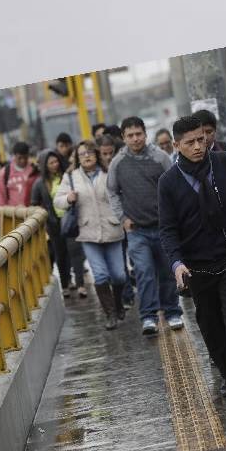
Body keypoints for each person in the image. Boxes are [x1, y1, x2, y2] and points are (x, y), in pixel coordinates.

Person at [158, 113, 226, 401]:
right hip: (198, 268)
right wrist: (177, 263)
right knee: (210, 324)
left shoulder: (224, 163)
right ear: (177, 145)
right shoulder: (168, 183)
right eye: (189, 142)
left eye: (201, 139)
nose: (197, 146)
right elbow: (167, 229)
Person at [109, 116, 185, 334]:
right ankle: (149, 316)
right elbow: (112, 192)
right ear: (123, 137)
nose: (135, 139)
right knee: (143, 272)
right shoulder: (118, 163)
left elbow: (175, 186)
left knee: (167, 271)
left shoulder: (160, 158)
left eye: (138, 134)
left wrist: (173, 218)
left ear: (145, 134)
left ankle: (172, 312)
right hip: (136, 231)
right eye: (130, 135)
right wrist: (122, 218)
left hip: (163, 228)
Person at [56, 140, 129, 329]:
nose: (86, 156)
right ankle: (110, 314)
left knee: (119, 276)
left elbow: (122, 194)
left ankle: (119, 303)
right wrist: (68, 198)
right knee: (101, 275)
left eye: (90, 152)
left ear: (96, 154)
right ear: (77, 158)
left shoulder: (109, 172)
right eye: (82, 154)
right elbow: (58, 200)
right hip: (88, 232)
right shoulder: (71, 176)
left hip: (112, 228)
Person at [30, 149, 76, 298]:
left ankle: (70, 279)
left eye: (56, 161)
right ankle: (64, 284)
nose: (54, 165)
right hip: (52, 224)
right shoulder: (39, 183)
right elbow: (34, 203)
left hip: (69, 219)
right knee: (60, 253)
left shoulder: (65, 177)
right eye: (51, 163)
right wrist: (44, 215)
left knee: (72, 251)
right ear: (45, 165)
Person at [0, 141, 40, 209]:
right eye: (19, 158)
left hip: (34, 211)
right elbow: (1, 197)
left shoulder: (34, 169)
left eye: (25, 157)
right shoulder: (5, 172)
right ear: (14, 156)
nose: (23, 160)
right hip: (13, 214)